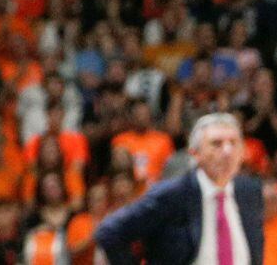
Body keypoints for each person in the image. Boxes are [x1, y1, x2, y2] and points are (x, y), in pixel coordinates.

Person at [95, 113, 264, 265]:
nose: (227, 151)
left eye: (233, 143)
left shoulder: (249, 190)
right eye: (216, 144)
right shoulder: (172, 193)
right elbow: (110, 231)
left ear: (242, 151)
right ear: (195, 154)